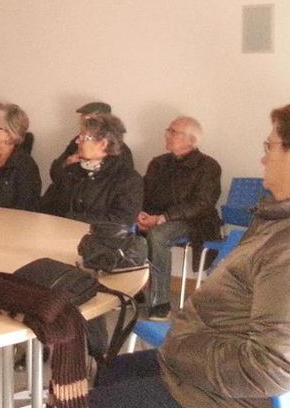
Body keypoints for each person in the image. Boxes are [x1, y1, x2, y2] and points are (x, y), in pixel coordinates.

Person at [87, 99, 290, 408]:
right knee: (110, 374)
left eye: (270, 146)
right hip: (223, 385)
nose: (264, 157)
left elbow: (275, 366)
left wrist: (179, 350)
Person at [40, 112, 142, 359]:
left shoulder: (128, 179)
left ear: (104, 144)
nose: (78, 141)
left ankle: (97, 357)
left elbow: (120, 222)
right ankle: (42, 340)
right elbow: (49, 205)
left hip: (98, 253)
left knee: (79, 287)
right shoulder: (73, 172)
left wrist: (72, 221)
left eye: (85, 136)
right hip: (58, 243)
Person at [134, 116, 222, 320]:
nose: (167, 135)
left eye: (173, 132)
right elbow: (144, 193)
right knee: (127, 228)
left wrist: (163, 218)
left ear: (191, 140)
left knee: (158, 235)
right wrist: (141, 214)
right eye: (168, 130)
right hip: (158, 218)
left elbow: (202, 203)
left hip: (195, 222)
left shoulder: (208, 166)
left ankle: (160, 303)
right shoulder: (158, 163)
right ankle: (134, 292)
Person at [50, 101, 135, 181]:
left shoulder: (121, 150)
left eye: (88, 120)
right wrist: (66, 164)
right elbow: (54, 174)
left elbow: (123, 180)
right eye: (82, 119)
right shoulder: (76, 142)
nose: (82, 123)